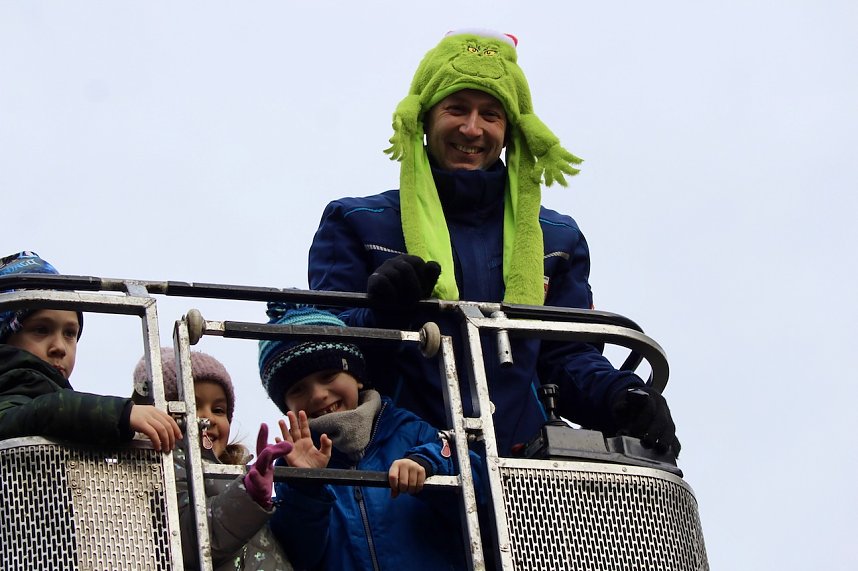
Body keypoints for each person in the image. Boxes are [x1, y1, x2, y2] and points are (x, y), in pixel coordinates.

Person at [307, 29, 681, 457]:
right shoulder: (357, 222)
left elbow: (567, 356)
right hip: (394, 468)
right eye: (456, 109)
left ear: (511, 131)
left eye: (491, 114)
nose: (472, 128)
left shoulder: (556, 239)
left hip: (521, 474)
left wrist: (622, 395)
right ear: (425, 118)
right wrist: (382, 313)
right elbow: (321, 352)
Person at [258, 304, 484, 571]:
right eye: (297, 389)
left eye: (328, 375)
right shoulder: (290, 467)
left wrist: (427, 464)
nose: (318, 394)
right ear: (286, 406)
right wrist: (307, 487)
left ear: (357, 377)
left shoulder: (407, 430)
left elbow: (478, 484)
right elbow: (298, 555)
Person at [133, 347, 294, 571]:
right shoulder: (161, 468)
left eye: (218, 410)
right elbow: (190, 539)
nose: (208, 418)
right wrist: (249, 495)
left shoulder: (237, 473)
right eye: (192, 406)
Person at [0, 251, 181, 450]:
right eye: (41, 330)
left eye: (69, 333)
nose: (59, 347)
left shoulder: (51, 394)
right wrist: (121, 414)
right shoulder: (11, 389)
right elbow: (43, 412)